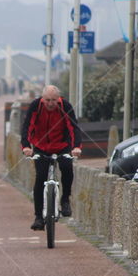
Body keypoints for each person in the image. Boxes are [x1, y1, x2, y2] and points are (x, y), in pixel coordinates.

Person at [20, 85, 82, 231]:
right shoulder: (36, 106)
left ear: (58, 99)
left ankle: (65, 199)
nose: (50, 103)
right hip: (41, 146)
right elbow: (27, 126)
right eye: (47, 100)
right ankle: (38, 217)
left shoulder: (65, 106)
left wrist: (76, 147)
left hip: (62, 145)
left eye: (53, 100)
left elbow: (74, 128)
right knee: (40, 178)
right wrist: (26, 147)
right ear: (42, 99)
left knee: (67, 168)